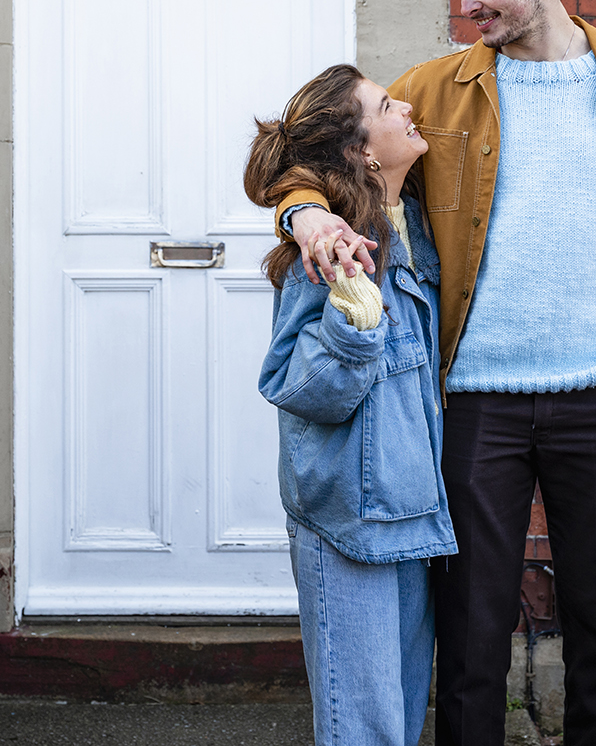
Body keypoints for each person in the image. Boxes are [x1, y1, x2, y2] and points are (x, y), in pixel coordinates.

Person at [277, 0, 596, 745]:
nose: (467, 4)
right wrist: (304, 214)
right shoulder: (433, 93)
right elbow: (311, 158)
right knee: (472, 639)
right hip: (474, 410)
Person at [246, 64, 455, 746]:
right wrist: (354, 325)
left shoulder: (414, 226)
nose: (408, 108)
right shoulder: (327, 250)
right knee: (363, 731)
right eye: (389, 105)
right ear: (362, 149)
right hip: (349, 522)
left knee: (393, 721)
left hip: (411, 516)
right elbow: (295, 384)